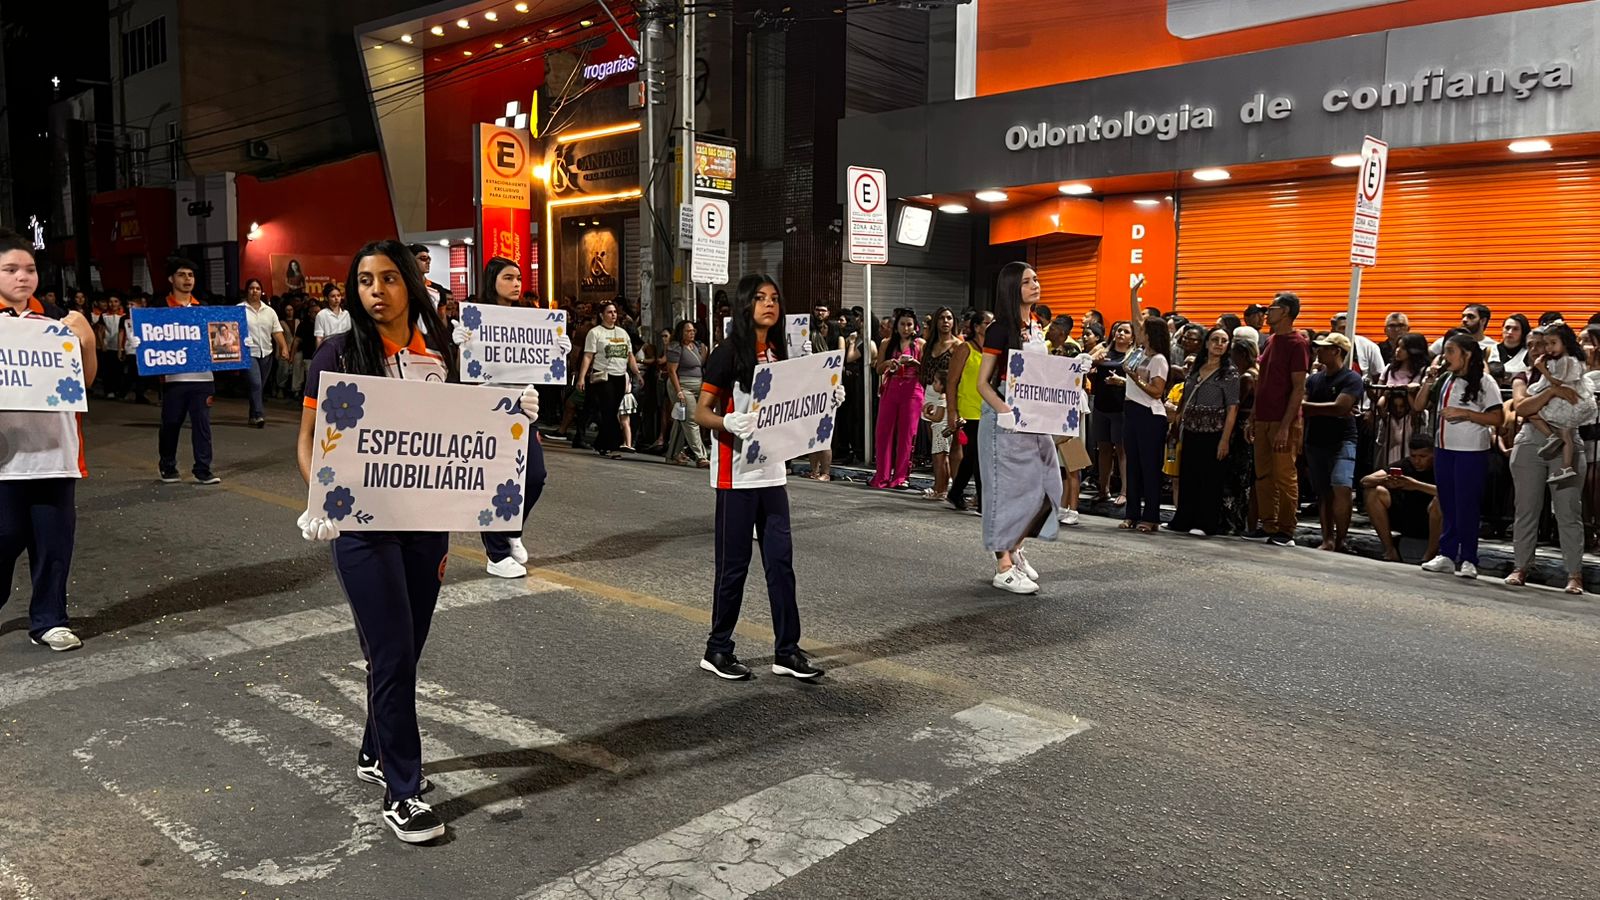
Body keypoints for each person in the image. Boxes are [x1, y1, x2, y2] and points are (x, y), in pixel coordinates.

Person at [294, 239, 478, 843]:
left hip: (427, 525)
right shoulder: (337, 354)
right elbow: (308, 439)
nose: (377, 290)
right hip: (362, 528)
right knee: (394, 652)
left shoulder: (441, 353)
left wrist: (512, 411)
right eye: (366, 280)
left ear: (411, 286)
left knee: (404, 648)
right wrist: (321, 501)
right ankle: (402, 791)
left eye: (389, 278)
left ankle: (375, 750)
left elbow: (462, 437)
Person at [694, 273, 826, 681]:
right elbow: (701, 412)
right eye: (760, 298)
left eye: (775, 298)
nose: (769, 304)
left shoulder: (781, 354)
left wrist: (827, 399)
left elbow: (795, 411)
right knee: (733, 567)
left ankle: (786, 651)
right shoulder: (726, 353)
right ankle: (717, 649)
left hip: (773, 473)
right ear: (745, 305)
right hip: (735, 476)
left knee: (781, 565)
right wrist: (726, 422)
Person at [0, 228, 97, 651]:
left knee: (53, 542)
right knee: (3, 537)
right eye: (10, 269)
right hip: (5, 458)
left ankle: (49, 620)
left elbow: (86, 380)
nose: (23, 277)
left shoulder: (57, 321)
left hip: (55, 454)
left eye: (30, 269)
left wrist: (87, 339)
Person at [455, 256, 563, 579]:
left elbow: (534, 368)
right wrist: (460, 345)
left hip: (522, 409)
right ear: (493, 281)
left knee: (535, 475)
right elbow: (463, 370)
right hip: (488, 409)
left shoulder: (528, 319)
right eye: (509, 277)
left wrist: (557, 350)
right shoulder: (475, 317)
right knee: (495, 481)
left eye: (519, 278)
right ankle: (497, 553)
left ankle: (511, 528)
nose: (517, 283)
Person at [975, 262, 1062, 592]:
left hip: (1035, 418)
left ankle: (1016, 547)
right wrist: (1004, 411)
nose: (1035, 285)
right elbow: (983, 383)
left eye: (1036, 279)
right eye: (1027, 282)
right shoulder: (1000, 329)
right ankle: (1004, 565)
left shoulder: (1037, 323)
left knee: (1046, 488)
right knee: (1005, 492)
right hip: (1005, 419)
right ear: (1013, 288)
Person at [1506, 326, 1587, 593]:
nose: (1537, 350)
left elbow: (1574, 399)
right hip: (1531, 444)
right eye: (1531, 345)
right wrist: (1551, 392)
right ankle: (1520, 567)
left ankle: (1574, 574)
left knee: (1568, 511)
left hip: (1567, 442)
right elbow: (1522, 407)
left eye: (1542, 344)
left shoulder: (1570, 369)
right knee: (1526, 509)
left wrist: (1544, 395)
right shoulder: (1524, 376)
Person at [1416, 333, 1503, 580]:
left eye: (1451, 351)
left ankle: (1468, 557)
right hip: (1444, 448)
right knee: (1448, 501)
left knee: (1467, 504)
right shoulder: (1445, 379)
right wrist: (1427, 381)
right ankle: (1446, 553)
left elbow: (1498, 418)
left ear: (1467, 354)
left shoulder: (1485, 382)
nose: (1446, 356)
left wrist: (1465, 414)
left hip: (1471, 450)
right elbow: (1418, 406)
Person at [135, 258, 222, 485]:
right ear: (171, 279)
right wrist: (139, 343)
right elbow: (149, 336)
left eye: (191, 275)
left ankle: (203, 469)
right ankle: (168, 465)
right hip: (173, 378)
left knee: (202, 424)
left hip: (203, 377)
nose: (187, 280)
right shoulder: (159, 308)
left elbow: (217, 339)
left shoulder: (203, 309)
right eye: (182, 275)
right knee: (171, 422)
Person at [1246, 292, 1309, 547]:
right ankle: (1268, 523)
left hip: (1284, 421)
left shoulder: (1297, 343)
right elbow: (1262, 380)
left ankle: (1286, 529)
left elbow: (1298, 388)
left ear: (1285, 312)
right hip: (1263, 418)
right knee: (1264, 474)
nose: (1266, 313)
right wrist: (1253, 415)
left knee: (1284, 475)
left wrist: (1285, 426)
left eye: (1271, 308)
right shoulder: (1271, 340)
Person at [1167, 327, 1239, 537]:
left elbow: (1232, 407)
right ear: (1207, 343)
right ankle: (1183, 519)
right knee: (1189, 475)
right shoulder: (1197, 367)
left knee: (1210, 479)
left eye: (1224, 341)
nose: (1219, 344)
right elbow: (1184, 398)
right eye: (1215, 339)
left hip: (1214, 432)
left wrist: (1224, 440)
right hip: (1190, 429)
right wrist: (1176, 424)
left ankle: (1206, 522)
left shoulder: (1229, 373)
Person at [1301, 333, 1364, 552]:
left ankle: (1341, 539)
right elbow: (1333, 408)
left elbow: (1341, 407)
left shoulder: (1351, 378)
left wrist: (1308, 408)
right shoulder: (1315, 378)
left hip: (1342, 439)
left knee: (1341, 486)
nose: (1319, 351)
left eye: (1324, 348)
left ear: (1337, 351)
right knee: (1323, 491)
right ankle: (1328, 538)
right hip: (1315, 439)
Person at [1520, 322, 1593, 488]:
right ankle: (1565, 465)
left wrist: (1542, 369)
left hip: (1567, 401)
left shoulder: (1569, 361)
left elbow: (1558, 382)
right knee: (1564, 434)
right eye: (1547, 344)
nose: (1549, 348)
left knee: (1537, 415)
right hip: (1563, 400)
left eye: (1553, 343)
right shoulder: (1561, 360)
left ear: (1565, 342)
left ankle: (1556, 447)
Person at [1122, 309, 1172, 533]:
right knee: (1133, 465)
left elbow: (1156, 391)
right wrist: (1134, 292)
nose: (1138, 332)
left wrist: (1137, 379)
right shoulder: (1138, 354)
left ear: (1151, 334)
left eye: (1142, 330)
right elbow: (1135, 317)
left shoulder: (1159, 360)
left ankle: (1151, 516)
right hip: (1131, 409)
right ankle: (1131, 513)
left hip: (1149, 415)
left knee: (1149, 467)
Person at [576, 300, 641, 460]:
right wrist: (581, 377)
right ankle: (614, 446)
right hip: (603, 377)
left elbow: (630, 355)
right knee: (609, 410)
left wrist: (637, 373)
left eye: (614, 312)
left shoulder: (622, 333)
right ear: (601, 315)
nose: (613, 315)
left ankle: (601, 443)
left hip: (620, 376)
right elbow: (588, 356)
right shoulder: (595, 333)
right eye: (609, 312)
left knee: (611, 412)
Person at [1361, 434, 1441, 564]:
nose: (1417, 461)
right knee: (1373, 492)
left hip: (1432, 521)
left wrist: (1415, 485)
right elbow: (1365, 481)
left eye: (1422, 457)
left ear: (1433, 455)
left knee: (1440, 501)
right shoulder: (1405, 464)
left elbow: (1450, 494)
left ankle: (1430, 554)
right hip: (1405, 516)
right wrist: (1386, 480)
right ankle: (1390, 550)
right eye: (1413, 456)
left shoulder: (1441, 467)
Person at [870, 310, 925, 489]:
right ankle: (882, 475)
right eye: (902, 324)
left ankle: (901, 476)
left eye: (909, 324)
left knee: (907, 434)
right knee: (883, 433)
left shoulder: (920, 344)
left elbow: (926, 372)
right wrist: (889, 364)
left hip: (912, 390)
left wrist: (916, 364)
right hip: (891, 387)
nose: (905, 328)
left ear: (915, 326)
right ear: (896, 326)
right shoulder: (887, 343)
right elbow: (878, 368)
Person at [945, 309, 990, 513]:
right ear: (977, 326)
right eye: (988, 323)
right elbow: (952, 382)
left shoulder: (992, 351)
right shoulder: (965, 349)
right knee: (979, 455)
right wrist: (952, 412)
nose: (992, 327)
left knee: (972, 456)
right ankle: (983, 501)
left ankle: (956, 492)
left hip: (987, 409)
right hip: (968, 410)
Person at [1088, 321, 1133, 507]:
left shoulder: (1132, 356)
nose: (1121, 333)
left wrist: (1121, 381)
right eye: (1118, 330)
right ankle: (1103, 489)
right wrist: (1094, 363)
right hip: (1101, 406)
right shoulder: (1103, 351)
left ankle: (1125, 492)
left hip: (1121, 408)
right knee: (1103, 449)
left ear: (1132, 338)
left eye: (1126, 331)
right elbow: (1085, 365)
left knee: (1122, 451)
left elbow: (1138, 381)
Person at [921, 307, 961, 501]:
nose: (946, 322)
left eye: (949, 318)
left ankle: (943, 488)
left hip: (947, 397)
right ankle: (942, 485)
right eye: (942, 318)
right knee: (935, 444)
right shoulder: (928, 345)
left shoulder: (957, 345)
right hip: (928, 394)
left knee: (945, 447)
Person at [239, 278, 289, 428]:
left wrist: (284, 348)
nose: (255, 291)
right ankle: (259, 415)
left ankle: (252, 415)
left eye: (257, 288)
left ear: (262, 292)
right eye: (251, 288)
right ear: (247, 291)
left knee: (259, 386)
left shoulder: (269, 311)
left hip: (266, 352)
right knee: (255, 383)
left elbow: (277, 331)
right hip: (248, 352)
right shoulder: (239, 309)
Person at [1221, 338, 1258, 536]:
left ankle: (1233, 521)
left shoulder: (1246, 378)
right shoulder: (1255, 373)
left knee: (1236, 478)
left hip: (1240, 432)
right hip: (1248, 431)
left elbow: (1235, 404)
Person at [665, 320, 711, 468]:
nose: (691, 333)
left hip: (697, 385)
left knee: (681, 420)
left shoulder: (697, 346)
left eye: (693, 331)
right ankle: (701, 456)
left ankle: (672, 455)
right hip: (682, 385)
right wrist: (678, 391)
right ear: (681, 332)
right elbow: (672, 371)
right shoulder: (675, 347)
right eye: (688, 331)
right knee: (691, 419)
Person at [1329, 312, 1385, 380]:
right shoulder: (1326, 347)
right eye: (1342, 328)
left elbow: (1379, 374)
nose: (1347, 331)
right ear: (1333, 331)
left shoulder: (1369, 346)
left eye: (1349, 328)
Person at [1429, 304, 1497, 357]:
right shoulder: (1447, 341)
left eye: (1470, 317)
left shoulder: (1493, 347)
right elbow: (1425, 357)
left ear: (1483, 321)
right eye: (1463, 316)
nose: (1464, 320)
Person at [1493, 314, 1532, 387]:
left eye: (1515, 329)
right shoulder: (1489, 350)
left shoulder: (1529, 353)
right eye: (1507, 328)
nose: (1510, 332)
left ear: (1523, 332)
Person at [314, 283, 351, 348]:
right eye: (333, 296)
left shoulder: (346, 314)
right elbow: (319, 338)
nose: (336, 298)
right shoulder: (321, 315)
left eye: (338, 295)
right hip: (329, 349)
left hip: (345, 349)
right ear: (326, 298)